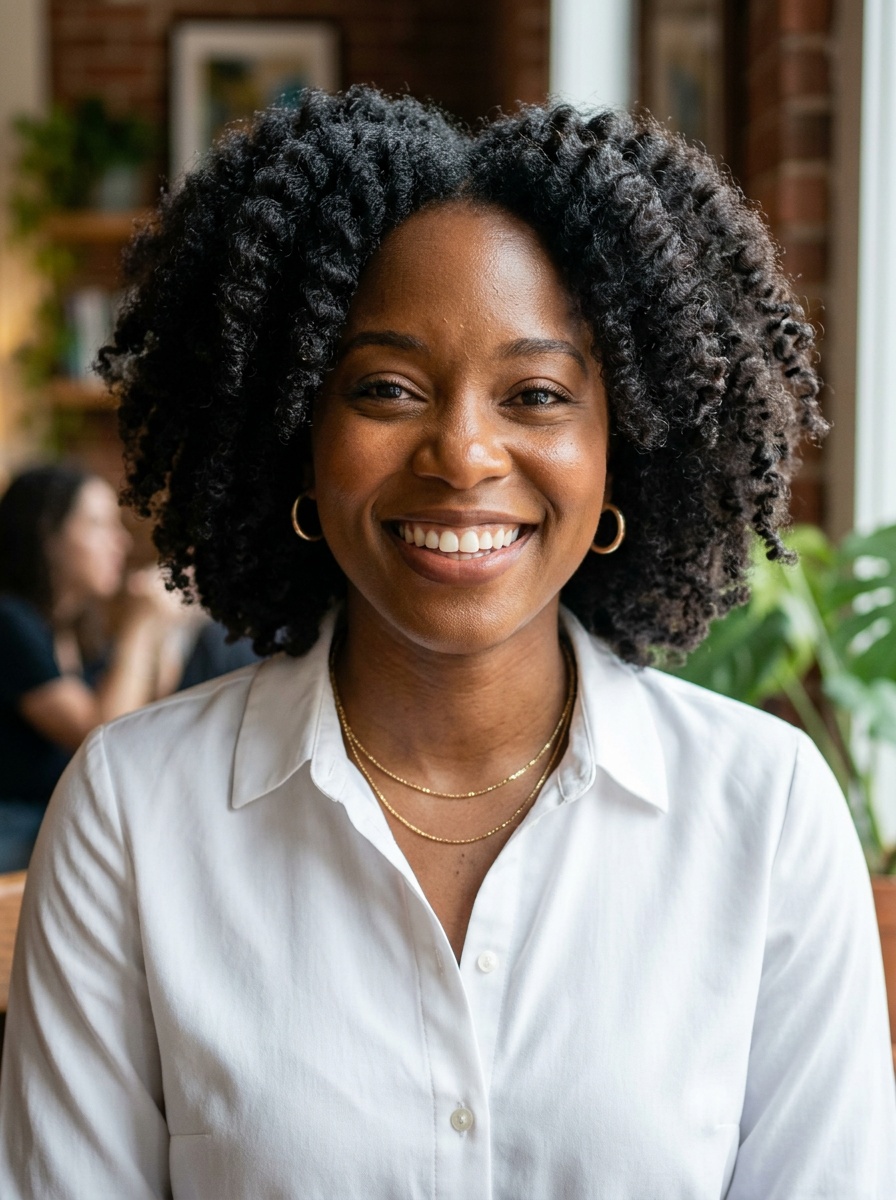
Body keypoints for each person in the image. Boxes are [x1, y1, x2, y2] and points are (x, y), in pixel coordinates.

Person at [1, 89, 893, 1197]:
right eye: (386, 388)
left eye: (534, 393)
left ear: (623, 448)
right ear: (295, 428)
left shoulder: (762, 814)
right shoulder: (133, 817)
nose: (462, 452)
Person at [0, 464, 192, 872]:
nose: (120, 542)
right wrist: (140, 627)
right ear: (47, 536)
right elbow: (101, 736)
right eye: (98, 524)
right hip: (15, 823)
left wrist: (164, 628)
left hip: (55, 818)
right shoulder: (8, 621)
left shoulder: (76, 632)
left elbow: (148, 718)